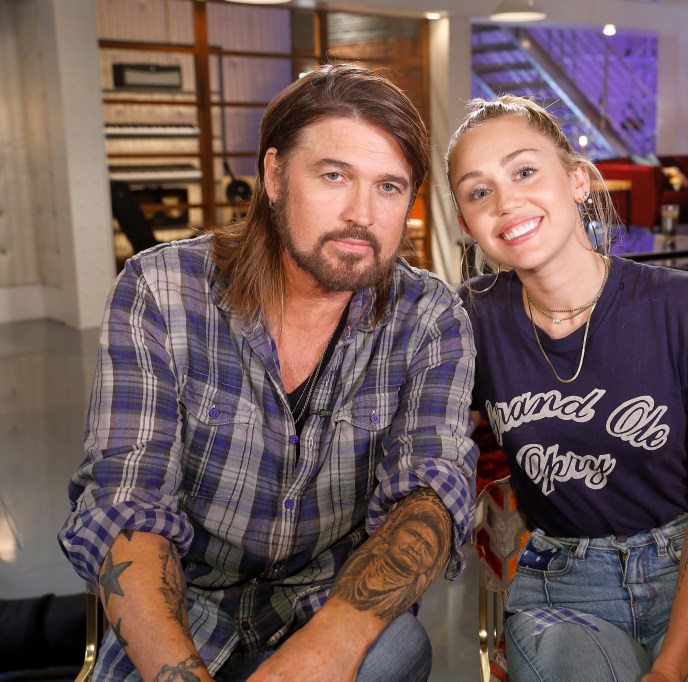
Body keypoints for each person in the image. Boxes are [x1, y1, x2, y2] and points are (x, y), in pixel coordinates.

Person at [59, 64, 478, 682]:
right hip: (187, 604)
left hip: (328, 602)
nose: (362, 213)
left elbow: (429, 496)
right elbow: (128, 503)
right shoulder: (162, 291)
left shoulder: (430, 317)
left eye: (389, 187)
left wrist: (327, 648)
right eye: (334, 176)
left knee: (397, 649)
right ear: (275, 175)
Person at [446, 95, 688, 682]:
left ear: (577, 180)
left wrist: (671, 664)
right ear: (466, 222)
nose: (506, 202)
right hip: (559, 585)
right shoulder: (470, 321)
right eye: (479, 192)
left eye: (524, 171)